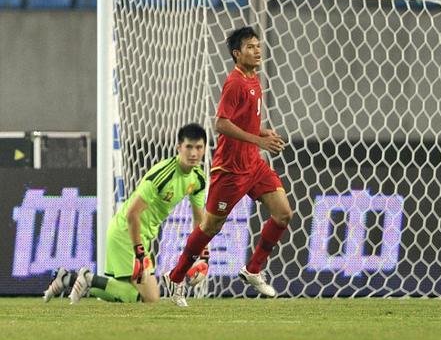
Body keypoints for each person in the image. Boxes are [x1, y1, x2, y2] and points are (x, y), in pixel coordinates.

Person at [166, 26, 293, 307]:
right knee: (210, 227)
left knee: (283, 214)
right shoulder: (235, 83)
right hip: (231, 170)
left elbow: (243, 121)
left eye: (258, 45)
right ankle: (175, 277)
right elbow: (221, 124)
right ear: (237, 54)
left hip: (253, 165)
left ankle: (253, 270)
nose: (257, 51)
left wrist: (261, 132)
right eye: (250, 47)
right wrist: (258, 141)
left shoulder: (254, 79)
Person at [43, 123, 209, 304]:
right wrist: (139, 253)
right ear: (179, 147)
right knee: (151, 298)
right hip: (127, 233)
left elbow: (199, 220)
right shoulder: (163, 175)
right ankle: (86, 278)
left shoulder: (198, 179)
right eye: (189, 147)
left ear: (204, 149)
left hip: (140, 236)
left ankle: (71, 279)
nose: (194, 153)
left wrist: (204, 256)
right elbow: (132, 214)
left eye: (199, 147)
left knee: (127, 292)